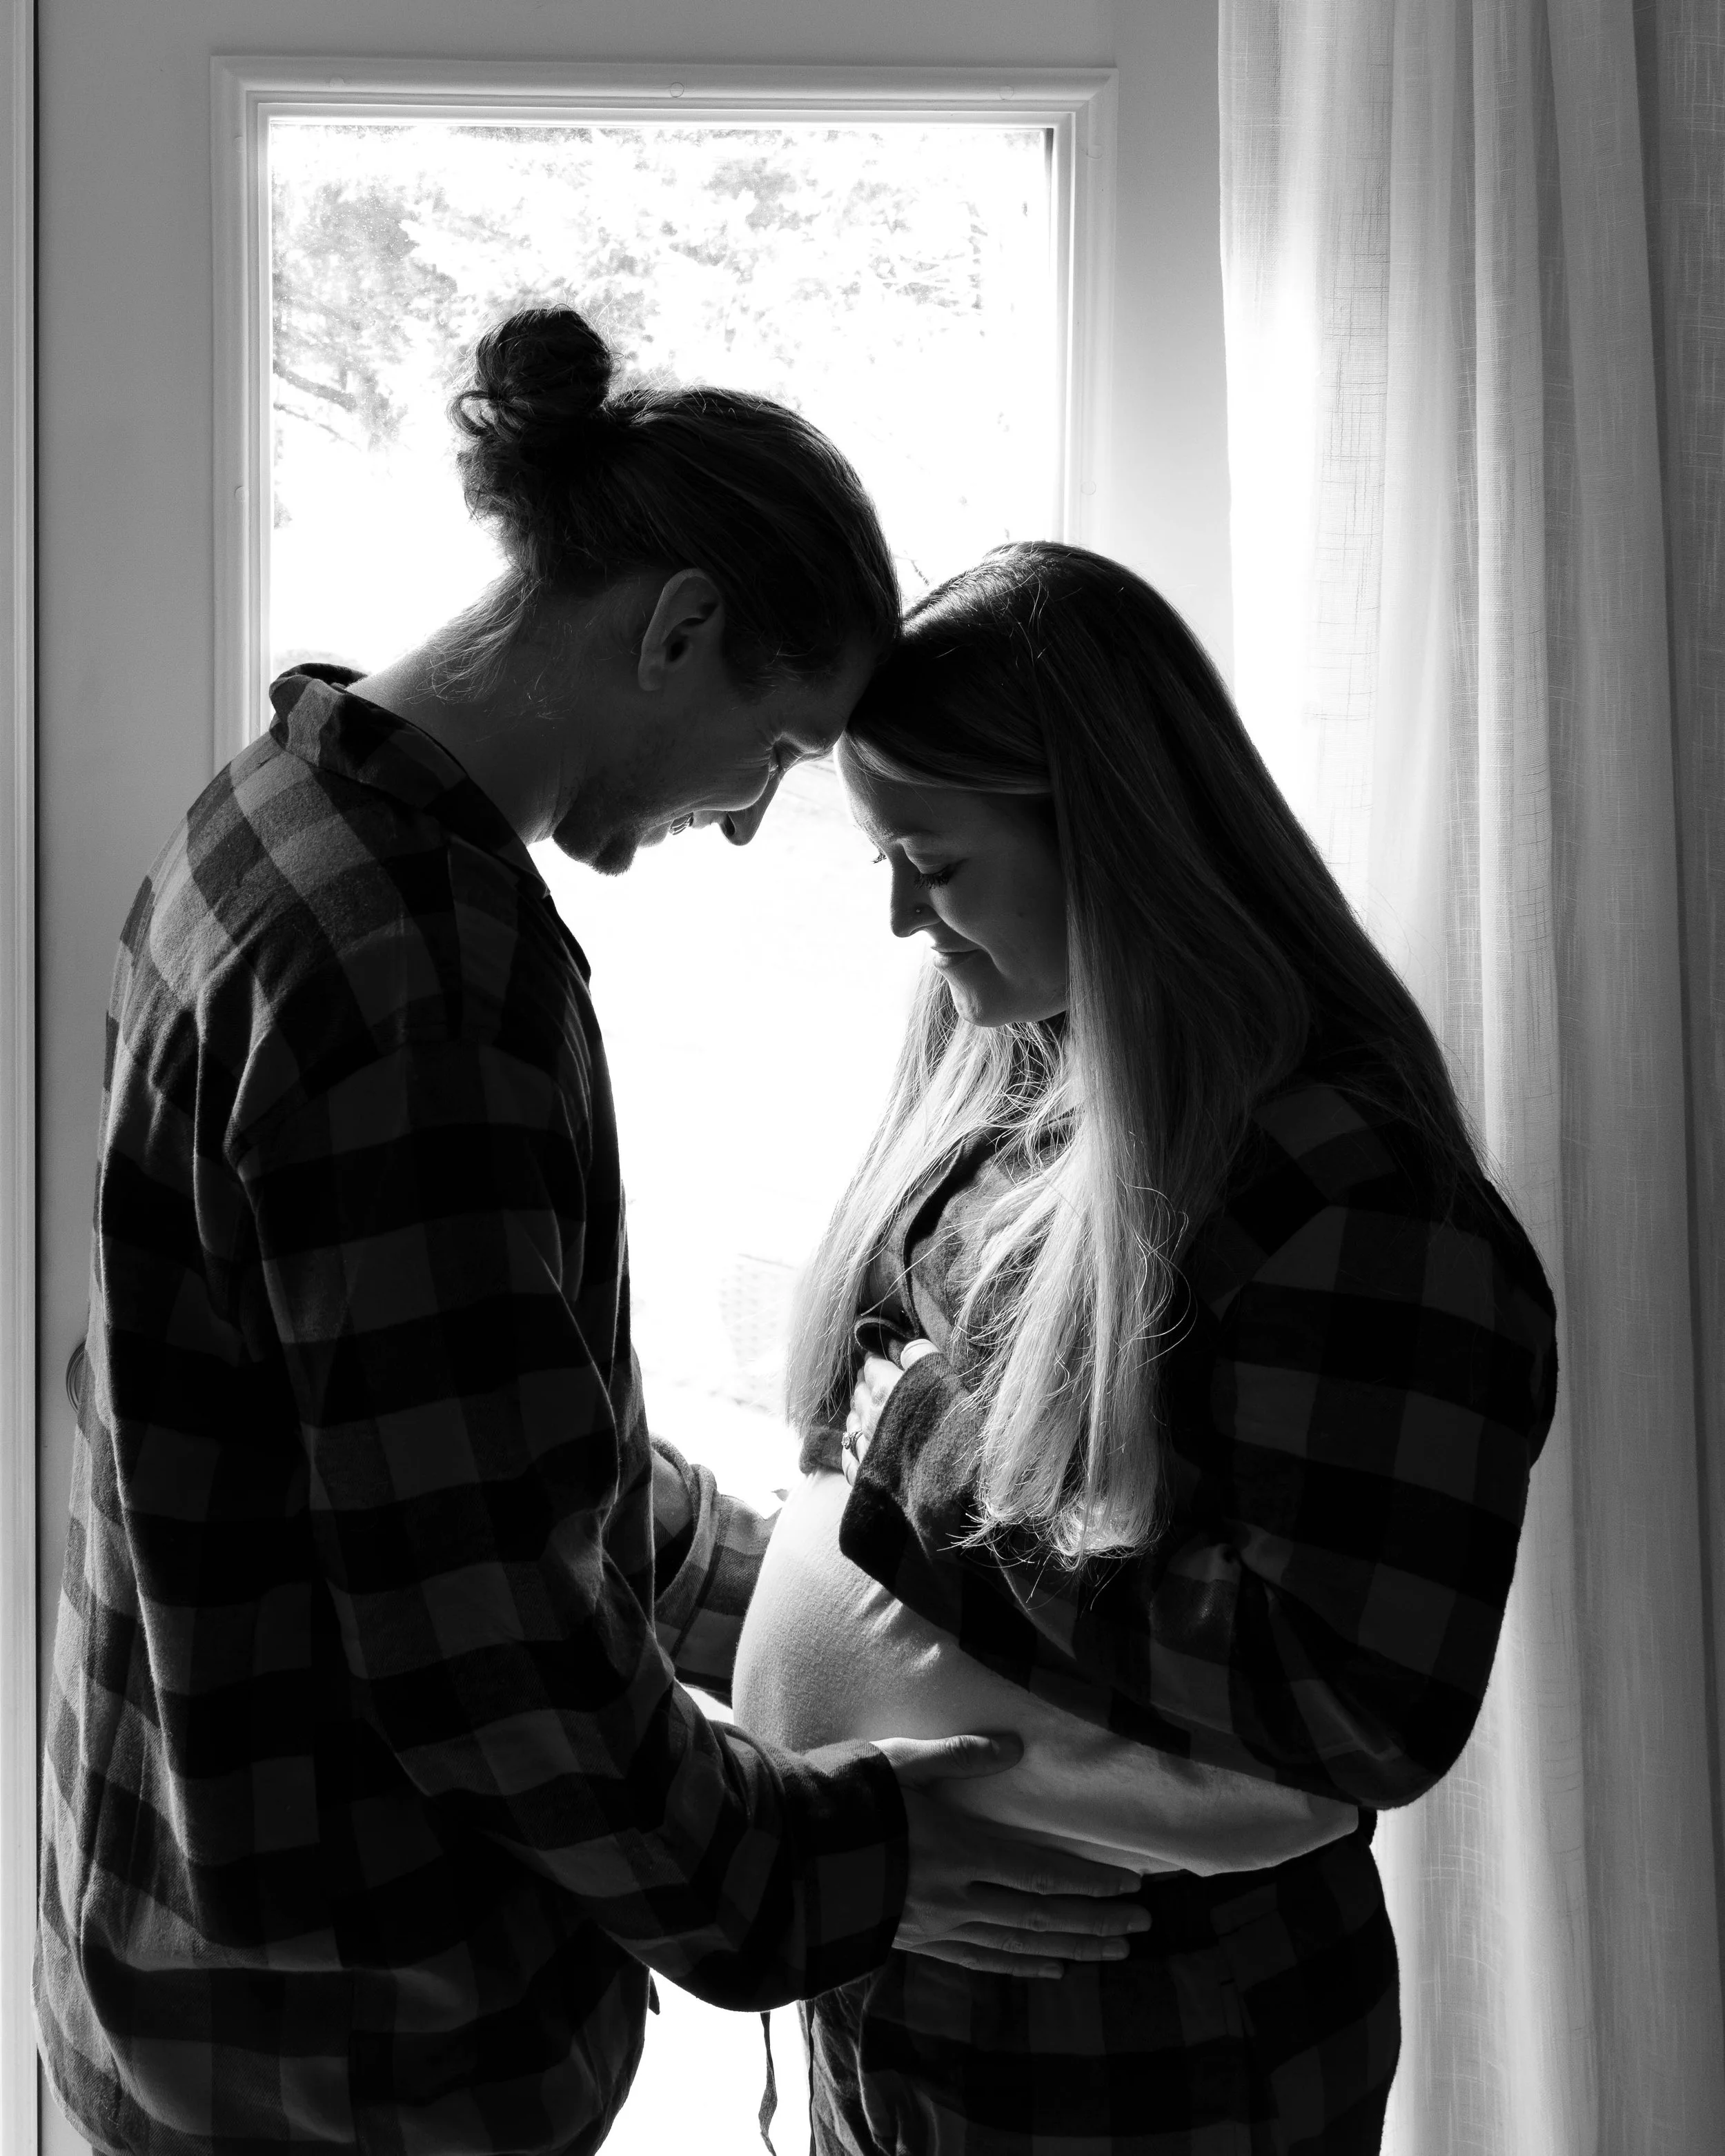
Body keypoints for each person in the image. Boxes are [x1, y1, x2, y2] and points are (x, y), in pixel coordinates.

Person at [34, 315, 1152, 2156]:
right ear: (678, 624)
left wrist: (765, 1584)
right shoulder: (420, 979)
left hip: (178, 1962)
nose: (745, 823)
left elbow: (439, 1461)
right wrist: (852, 1859)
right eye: (775, 750)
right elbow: (486, 1655)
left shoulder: (266, 822)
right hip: (351, 2058)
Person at [733, 542, 1559, 2153]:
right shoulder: (1010, 1068)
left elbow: (1353, 1696)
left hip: (1139, 2020)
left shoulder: (1354, 1202)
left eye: (936, 859)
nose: (903, 912)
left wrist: (919, 1456)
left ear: (1103, 841)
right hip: (899, 1968)